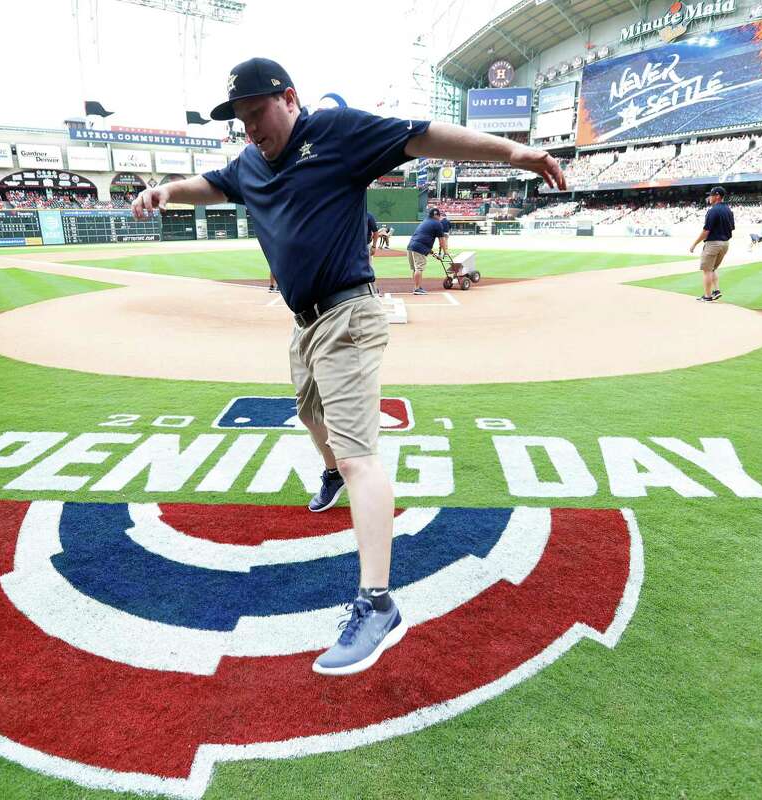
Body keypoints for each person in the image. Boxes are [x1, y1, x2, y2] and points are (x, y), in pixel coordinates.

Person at [132, 56, 565, 676]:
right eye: (242, 120)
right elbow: (216, 183)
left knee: (362, 454)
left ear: (289, 98)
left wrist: (515, 153)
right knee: (310, 415)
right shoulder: (251, 161)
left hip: (349, 316)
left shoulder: (335, 133)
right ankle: (330, 471)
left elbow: (424, 135)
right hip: (304, 323)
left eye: (258, 113)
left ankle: (378, 603)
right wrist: (168, 191)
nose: (252, 129)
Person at [689, 186, 734, 302]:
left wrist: (694, 244)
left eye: (711, 195)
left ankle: (707, 296)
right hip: (725, 244)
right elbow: (732, 228)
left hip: (713, 243)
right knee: (712, 269)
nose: (709, 197)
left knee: (707, 270)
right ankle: (716, 290)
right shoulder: (729, 210)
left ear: (717, 196)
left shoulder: (713, 210)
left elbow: (706, 231)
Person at [406, 207, 445, 295]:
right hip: (418, 247)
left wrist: (434, 254)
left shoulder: (425, 221)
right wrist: (444, 252)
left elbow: (423, 241)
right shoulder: (437, 223)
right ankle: (417, 289)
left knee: (415, 269)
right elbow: (442, 241)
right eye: (439, 215)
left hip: (411, 246)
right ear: (436, 215)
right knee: (419, 268)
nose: (439, 217)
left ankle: (417, 286)